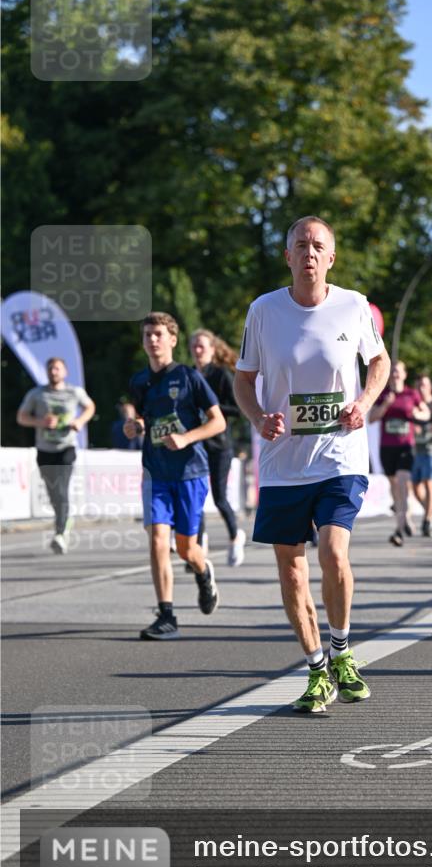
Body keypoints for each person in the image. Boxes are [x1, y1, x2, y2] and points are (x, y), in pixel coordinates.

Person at [233, 215, 390, 713]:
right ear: (287, 256)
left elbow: (380, 362)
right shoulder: (263, 311)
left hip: (340, 454)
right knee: (293, 574)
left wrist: (364, 402)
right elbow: (243, 379)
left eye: (318, 245)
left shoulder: (353, 306)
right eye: (300, 244)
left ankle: (342, 650)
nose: (309, 252)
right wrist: (259, 417)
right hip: (283, 463)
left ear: (331, 257)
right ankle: (317, 668)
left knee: (333, 553)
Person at [125, 312, 225, 640]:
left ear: (172, 339)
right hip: (156, 472)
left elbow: (218, 422)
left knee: (186, 550)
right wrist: (134, 424)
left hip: (190, 473)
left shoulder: (188, 378)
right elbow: (138, 413)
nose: (152, 340)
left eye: (157, 334)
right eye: (147, 335)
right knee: (157, 538)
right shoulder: (139, 380)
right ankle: (167, 614)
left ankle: (202, 569)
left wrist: (186, 437)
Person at [17, 357, 95, 554]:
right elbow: (21, 417)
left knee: (61, 489)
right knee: (53, 494)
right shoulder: (37, 394)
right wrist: (40, 422)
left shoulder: (74, 392)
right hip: (44, 449)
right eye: (51, 369)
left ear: (65, 372)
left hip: (66, 448)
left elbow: (90, 407)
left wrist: (79, 421)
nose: (54, 372)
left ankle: (60, 534)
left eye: (57, 368)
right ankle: (63, 520)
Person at [190, 329, 246, 567]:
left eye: (202, 346)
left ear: (212, 350)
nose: (197, 350)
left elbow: (239, 408)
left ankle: (235, 536)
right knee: (196, 497)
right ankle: (198, 547)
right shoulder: (189, 375)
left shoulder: (221, 374)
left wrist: (212, 410)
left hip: (220, 444)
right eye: (194, 346)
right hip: (195, 444)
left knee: (219, 497)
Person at [369, 360, 430, 546]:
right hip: (387, 447)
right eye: (393, 371)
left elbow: (426, 413)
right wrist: (385, 405)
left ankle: (401, 526)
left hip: (406, 446)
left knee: (403, 483)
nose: (395, 374)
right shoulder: (384, 394)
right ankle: (404, 520)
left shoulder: (411, 394)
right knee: (394, 487)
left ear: (404, 375)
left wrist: (415, 416)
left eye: (398, 372)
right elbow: (371, 418)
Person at [411, 374, 432, 537]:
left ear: (430, 386)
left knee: (429, 483)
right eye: (419, 385)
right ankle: (430, 509)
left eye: (424, 385)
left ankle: (428, 519)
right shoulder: (415, 404)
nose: (421, 388)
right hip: (417, 449)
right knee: (416, 487)